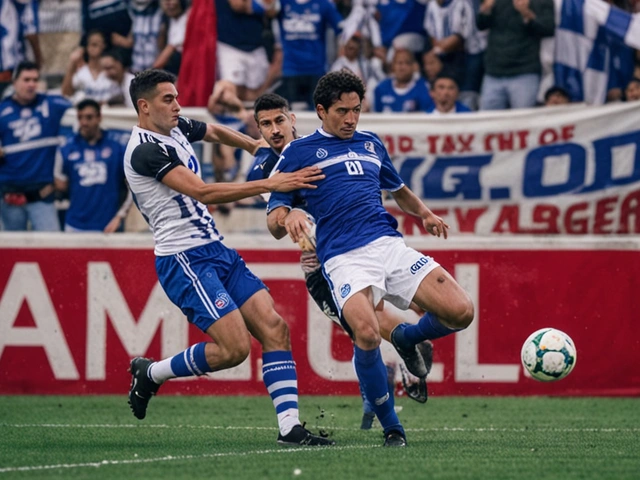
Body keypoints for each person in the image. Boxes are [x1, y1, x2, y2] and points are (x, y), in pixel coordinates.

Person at [124, 69, 333, 447]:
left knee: (274, 328)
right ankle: (152, 372)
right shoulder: (145, 151)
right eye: (168, 99)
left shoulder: (172, 127)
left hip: (215, 249)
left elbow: (214, 131)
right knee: (235, 349)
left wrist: (253, 146)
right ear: (144, 106)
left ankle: (290, 429)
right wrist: (271, 183)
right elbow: (203, 192)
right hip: (183, 258)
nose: (178, 105)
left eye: (176, 97)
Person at [266, 70, 474, 447]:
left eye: (357, 110)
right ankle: (393, 428)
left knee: (461, 311)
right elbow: (274, 218)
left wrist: (424, 213)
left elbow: (400, 190)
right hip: (343, 257)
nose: (351, 119)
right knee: (365, 333)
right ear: (320, 110)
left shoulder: (371, 144)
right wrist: (289, 215)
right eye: (342, 111)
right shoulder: (297, 153)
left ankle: (408, 338)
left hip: (389, 246)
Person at [251, 92, 434, 409]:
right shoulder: (262, 171)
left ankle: (394, 384)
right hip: (320, 261)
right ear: (259, 129)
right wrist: (289, 214)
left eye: (279, 120)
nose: (274, 130)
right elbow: (277, 223)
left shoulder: (321, 147)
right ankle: (408, 349)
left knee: (365, 328)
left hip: (361, 245)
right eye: (265, 125)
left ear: (293, 119)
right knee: (365, 326)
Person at [0, 61, 72, 231]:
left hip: (42, 196)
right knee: (10, 252)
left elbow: (78, 107)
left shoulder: (51, 105)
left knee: (53, 250)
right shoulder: (2, 110)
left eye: (35, 80)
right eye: (26, 80)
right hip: (10, 195)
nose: (31, 84)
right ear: (14, 82)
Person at [54, 99, 132, 232]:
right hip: (75, 224)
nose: (84, 122)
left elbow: (133, 184)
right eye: (80, 117)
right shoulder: (66, 148)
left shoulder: (117, 147)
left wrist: (120, 216)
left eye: (89, 117)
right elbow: (60, 182)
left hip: (108, 225)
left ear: (99, 117)